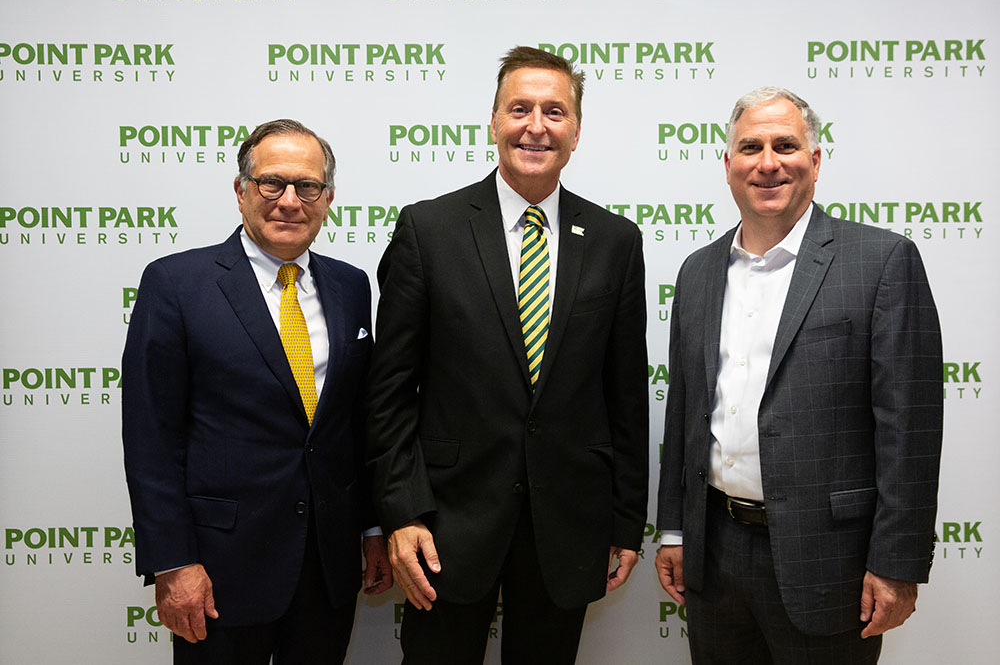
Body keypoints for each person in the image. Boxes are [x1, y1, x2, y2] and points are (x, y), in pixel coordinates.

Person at [366, 46, 648, 664]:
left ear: (576, 129)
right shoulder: (428, 229)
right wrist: (403, 511)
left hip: (568, 524)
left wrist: (627, 520)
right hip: (444, 524)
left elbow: (625, 393)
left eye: (555, 111)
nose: (535, 126)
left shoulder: (616, 241)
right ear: (493, 120)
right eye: (519, 108)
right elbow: (388, 392)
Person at [655, 87, 943, 664]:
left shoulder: (881, 262)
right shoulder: (697, 272)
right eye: (751, 147)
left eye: (785, 145)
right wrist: (673, 531)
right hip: (714, 556)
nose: (768, 162)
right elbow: (685, 410)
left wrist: (896, 564)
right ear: (728, 165)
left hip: (829, 563)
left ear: (814, 161)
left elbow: (909, 430)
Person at [122, 119, 391, 664]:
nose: (289, 201)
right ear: (241, 192)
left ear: (328, 198)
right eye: (271, 183)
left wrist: (371, 526)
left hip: (327, 567)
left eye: (307, 187)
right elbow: (152, 438)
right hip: (220, 572)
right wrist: (173, 564)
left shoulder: (350, 285)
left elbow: (354, 423)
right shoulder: (175, 284)